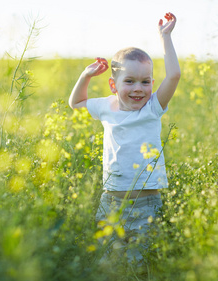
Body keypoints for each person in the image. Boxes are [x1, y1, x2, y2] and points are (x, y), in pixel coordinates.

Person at [69, 12, 181, 264]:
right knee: (106, 261)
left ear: (152, 83)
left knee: (137, 263)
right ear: (113, 85)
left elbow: (173, 76)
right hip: (111, 200)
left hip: (147, 202)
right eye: (129, 81)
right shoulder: (106, 106)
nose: (138, 88)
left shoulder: (153, 108)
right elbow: (75, 102)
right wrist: (85, 76)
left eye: (145, 82)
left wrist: (165, 37)